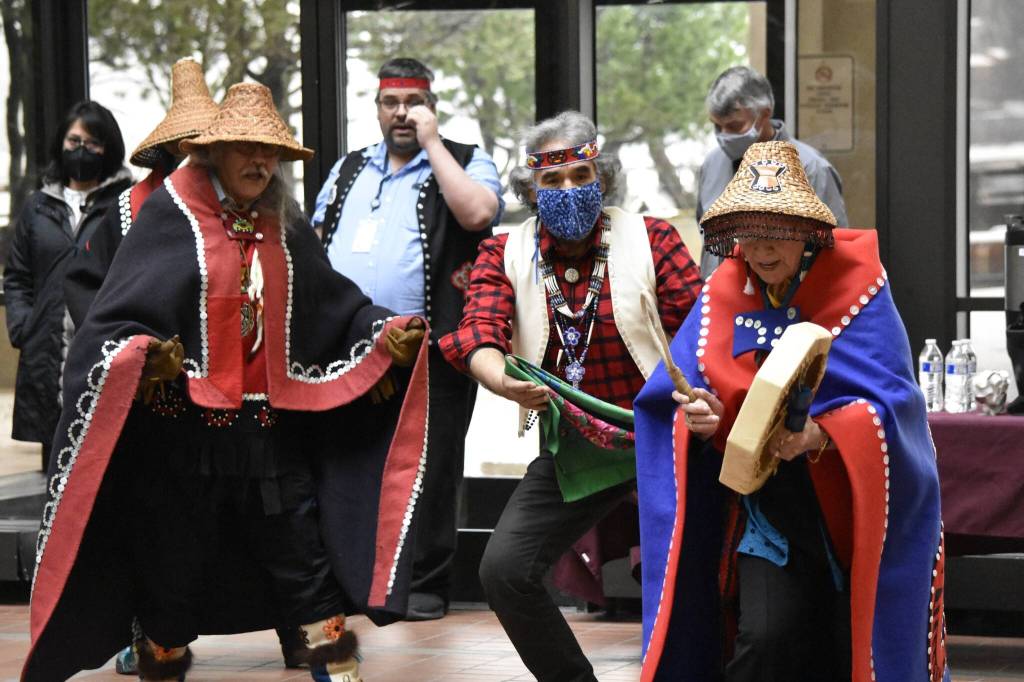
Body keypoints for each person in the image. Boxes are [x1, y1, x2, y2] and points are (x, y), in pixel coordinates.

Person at [23, 83, 430, 682]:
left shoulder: (282, 226)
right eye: (245, 148)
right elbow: (113, 319)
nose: (260, 163)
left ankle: (339, 676)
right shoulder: (168, 214)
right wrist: (146, 357)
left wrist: (382, 332)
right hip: (183, 444)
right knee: (171, 586)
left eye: (271, 153)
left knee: (307, 573)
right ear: (214, 152)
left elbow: (334, 305)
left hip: (271, 438)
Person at [635, 141, 948, 682]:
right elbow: (680, 399)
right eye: (746, 234)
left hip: (848, 510)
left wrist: (823, 434)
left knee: (848, 648)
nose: (758, 250)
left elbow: (896, 402)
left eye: (775, 231)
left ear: (807, 229)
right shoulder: (723, 292)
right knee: (764, 641)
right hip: (768, 515)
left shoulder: (860, 286)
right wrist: (702, 421)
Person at [439, 110, 703, 682]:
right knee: (504, 570)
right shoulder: (504, 252)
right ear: (531, 190)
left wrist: (699, 405)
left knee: (694, 569)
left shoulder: (651, 238)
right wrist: (500, 378)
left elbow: (701, 333)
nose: (567, 191)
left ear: (602, 179)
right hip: (577, 446)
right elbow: (478, 332)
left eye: (580, 176)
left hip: (665, 436)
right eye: (551, 182)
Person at [313, 57, 503, 621]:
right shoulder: (349, 168)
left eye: (414, 102)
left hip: (431, 347)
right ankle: (353, 579)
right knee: (351, 461)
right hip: (354, 346)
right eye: (391, 102)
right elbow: (317, 240)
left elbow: (478, 214)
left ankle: (423, 585)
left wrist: (433, 143)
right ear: (375, 108)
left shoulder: (465, 159)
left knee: (433, 466)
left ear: (432, 107)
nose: (402, 113)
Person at [3, 101, 132, 470]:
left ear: (108, 149)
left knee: (104, 462)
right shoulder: (37, 207)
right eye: (74, 140)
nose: (81, 150)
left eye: (93, 143)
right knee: (54, 467)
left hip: (100, 347)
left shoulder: (124, 203)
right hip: (45, 352)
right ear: (61, 142)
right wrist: (23, 327)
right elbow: (17, 276)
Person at [64, 57, 219, 331]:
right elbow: (82, 282)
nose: (197, 155)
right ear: (169, 147)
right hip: (152, 360)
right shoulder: (131, 207)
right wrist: (118, 345)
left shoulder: (244, 207)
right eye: (186, 144)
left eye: (206, 144)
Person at [697, 65, 848, 277]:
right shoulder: (712, 164)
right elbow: (707, 240)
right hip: (719, 301)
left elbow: (835, 248)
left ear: (764, 114)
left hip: (792, 305)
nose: (723, 135)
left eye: (734, 126)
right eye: (717, 126)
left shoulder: (810, 168)